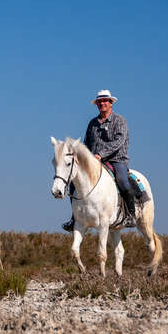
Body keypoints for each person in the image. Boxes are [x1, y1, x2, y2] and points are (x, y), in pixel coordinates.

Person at [62, 90, 136, 232]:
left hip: (116, 160)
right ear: (97, 104)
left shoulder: (120, 120)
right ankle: (75, 217)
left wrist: (100, 154)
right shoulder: (92, 123)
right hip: (95, 162)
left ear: (111, 103)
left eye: (105, 101)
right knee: (74, 182)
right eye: (99, 102)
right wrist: (82, 157)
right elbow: (86, 143)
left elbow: (118, 142)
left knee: (122, 180)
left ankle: (130, 215)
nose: (102, 103)